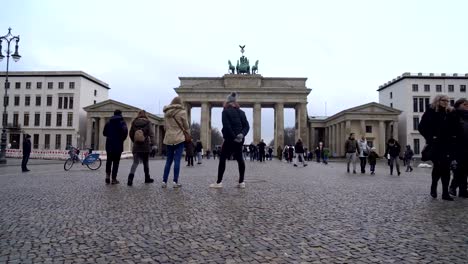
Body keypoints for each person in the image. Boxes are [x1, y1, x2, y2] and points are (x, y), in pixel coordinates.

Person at [418, 95, 459, 200]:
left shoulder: (451, 112)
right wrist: (430, 137)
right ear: (438, 100)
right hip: (435, 144)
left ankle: (445, 192)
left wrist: (454, 137)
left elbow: (456, 126)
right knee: (438, 166)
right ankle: (434, 186)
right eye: (443, 100)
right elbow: (421, 127)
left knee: (446, 168)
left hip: (448, 144)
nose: (446, 102)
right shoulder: (431, 112)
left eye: (447, 100)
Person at [210, 92, 250, 188]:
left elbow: (227, 127)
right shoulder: (242, 112)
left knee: (223, 159)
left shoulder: (225, 112)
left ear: (227, 102)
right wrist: (241, 135)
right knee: (240, 159)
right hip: (240, 140)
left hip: (229, 139)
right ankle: (241, 182)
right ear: (235, 102)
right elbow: (247, 126)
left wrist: (233, 137)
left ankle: (219, 182)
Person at [161, 96, 190, 188]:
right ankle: (175, 182)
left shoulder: (166, 113)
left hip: (169, 138)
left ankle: (164, 181)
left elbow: (165, 127)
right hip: (179, 139)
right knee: (177, 160)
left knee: (168, 161)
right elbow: (186, 126)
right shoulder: (182, 112)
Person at [127, 110, 156, 186]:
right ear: (145, 115)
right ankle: (147, 178)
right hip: (145, 146)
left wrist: (135, 140)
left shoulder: (134, 122)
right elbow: (151, 134)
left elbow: (130, 134)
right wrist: (153, 144)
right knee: (146, 163)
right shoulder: (148, 122)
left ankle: (130, 179)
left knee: (135, 162)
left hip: (136, 146)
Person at [103, 109, 128, 184]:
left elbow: (104, 133)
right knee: (116, 163)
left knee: (109, 161)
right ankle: (114, 179)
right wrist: (120, 140)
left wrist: (110, 136)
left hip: (109, 145)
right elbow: (125, 133)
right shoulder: (122, 123)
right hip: (118, 145)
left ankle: (107, 176)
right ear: (120, 114)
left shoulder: (108, 122)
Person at [449, 98, 468, 198]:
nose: (467, 106)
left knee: (465, 169)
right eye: (465, 104)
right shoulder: (454, 115)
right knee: (460, 169)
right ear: (458, 105)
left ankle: (462, 191)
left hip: (466, 145)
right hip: (457, 146)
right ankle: (454, 187)